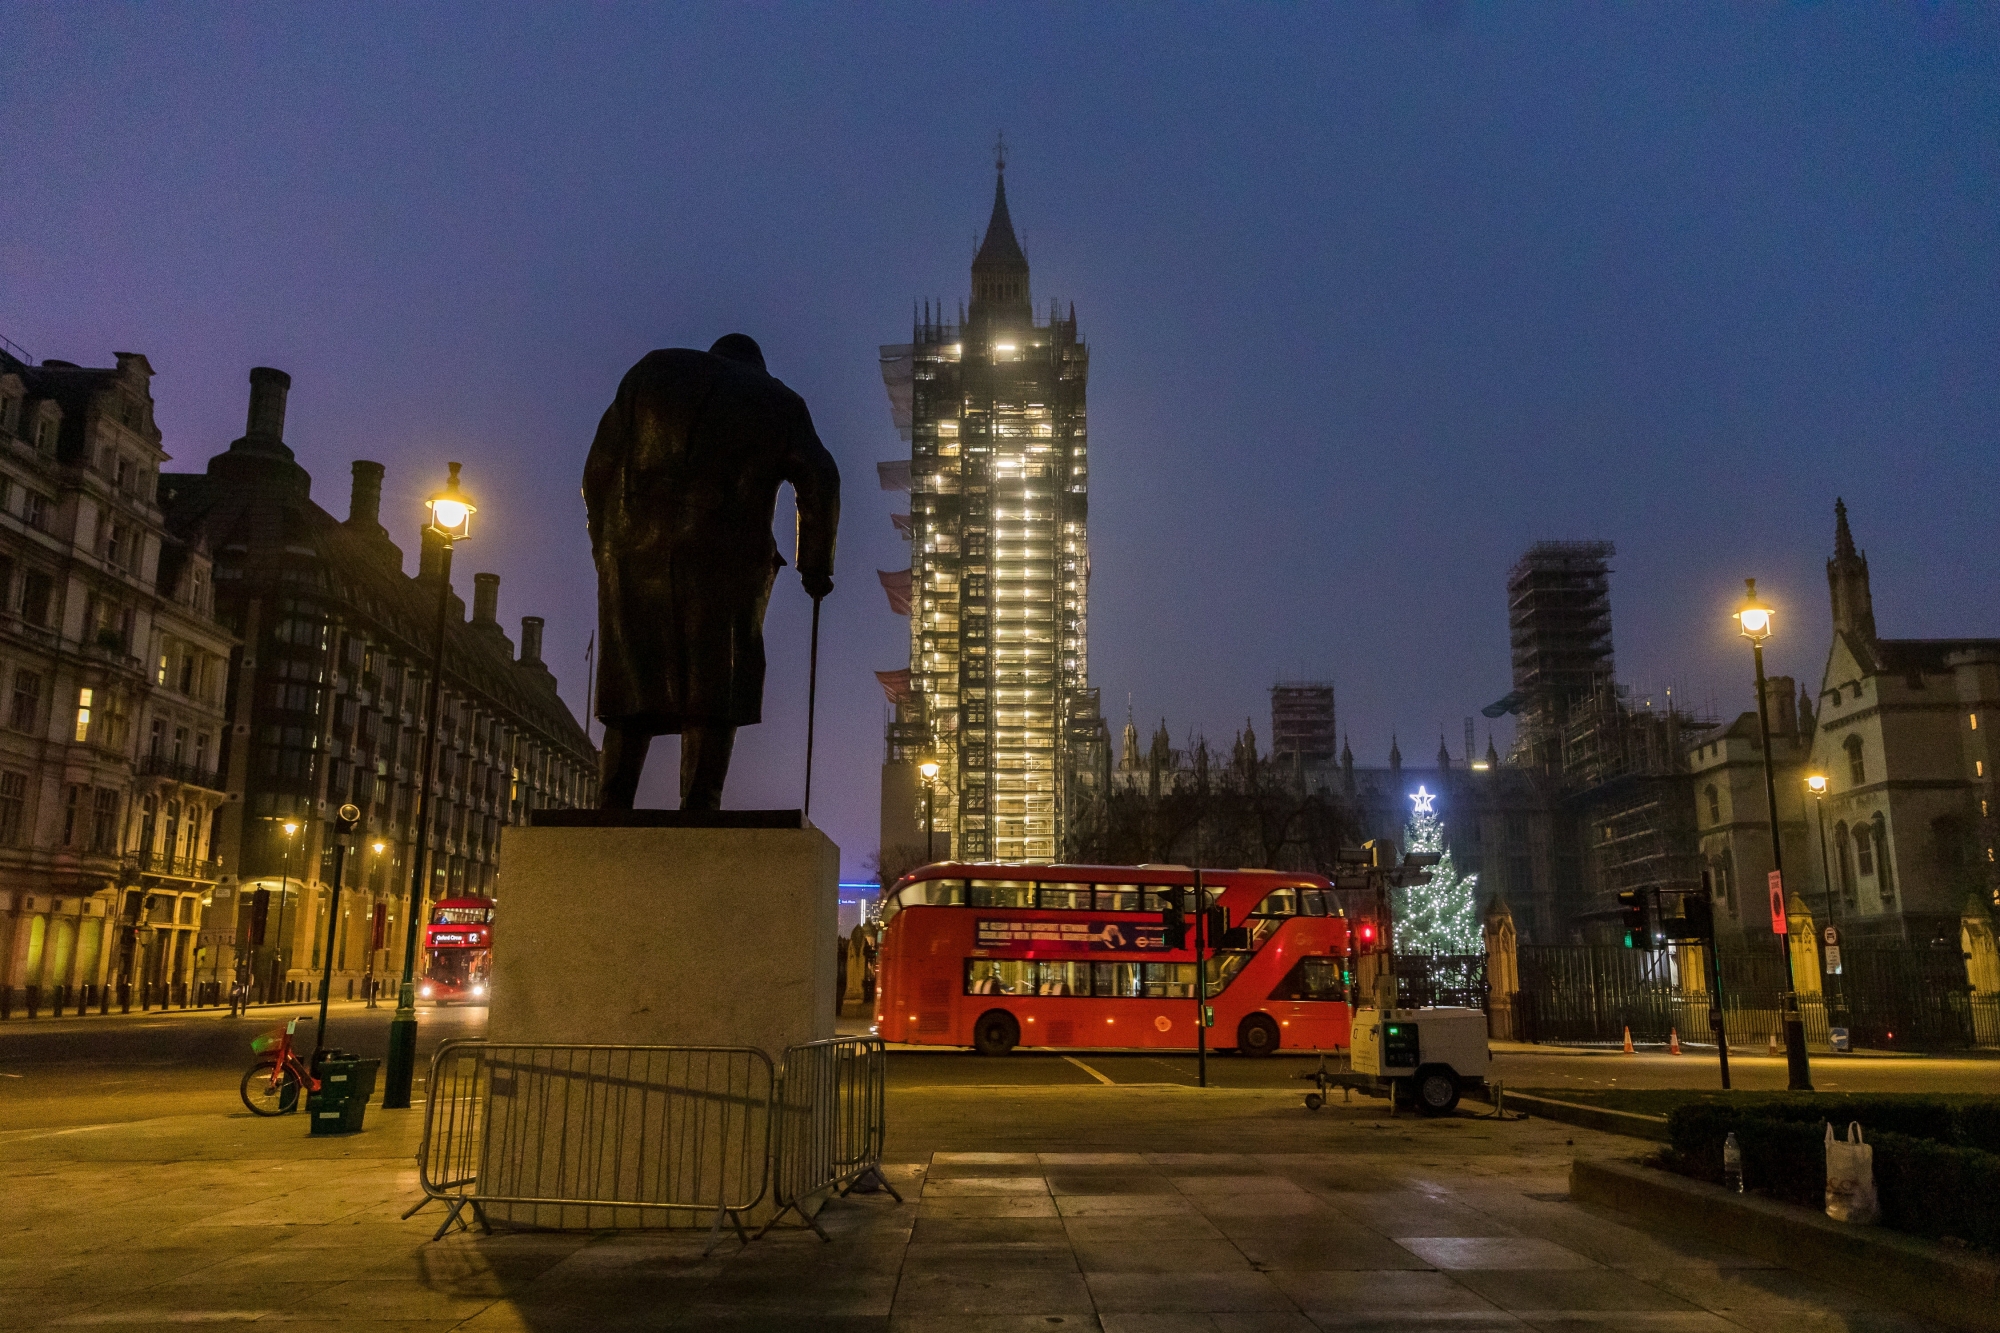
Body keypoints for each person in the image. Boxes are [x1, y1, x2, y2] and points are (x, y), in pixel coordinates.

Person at [584, 334, 840, 809]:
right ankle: (700, 802)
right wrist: (815, 567)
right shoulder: (778, 400)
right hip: (724, 558)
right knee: (715, 677)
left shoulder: (651, 371)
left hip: (632, 551)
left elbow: (598, 466)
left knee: (632, 674)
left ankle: (613, 799)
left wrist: (605, 541)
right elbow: (820, 477)